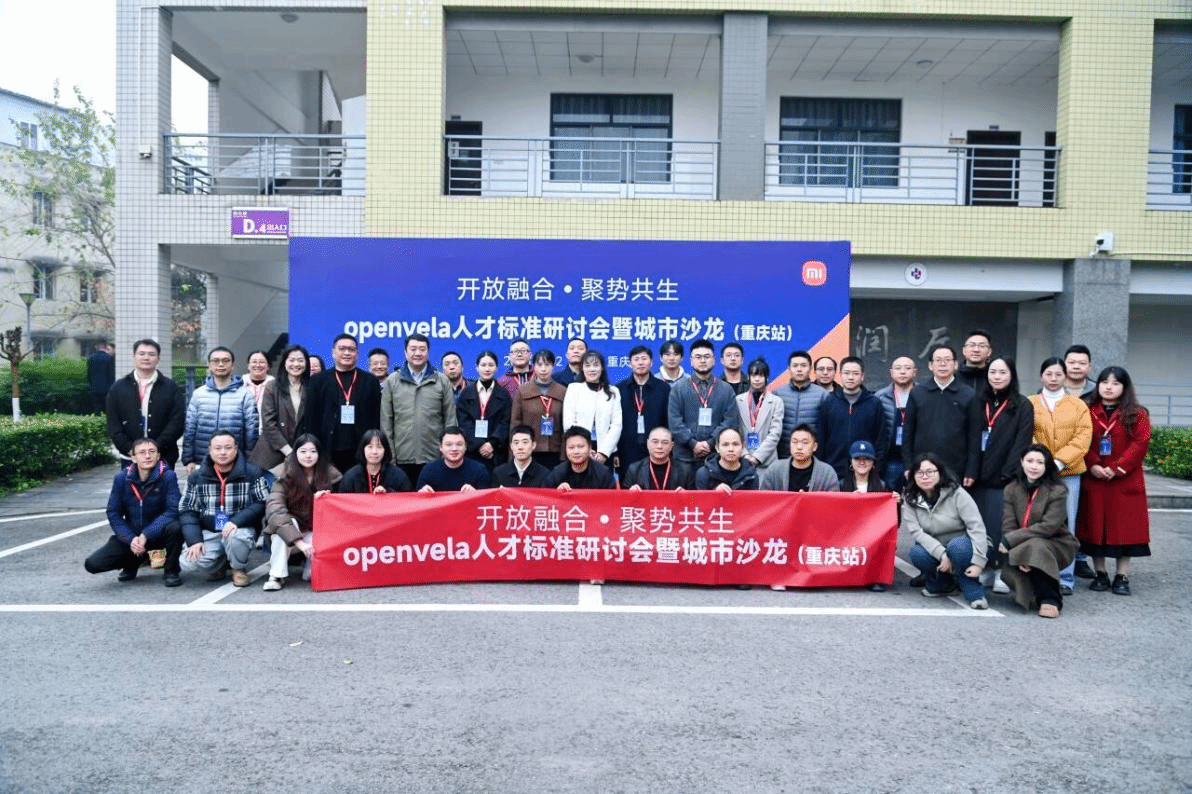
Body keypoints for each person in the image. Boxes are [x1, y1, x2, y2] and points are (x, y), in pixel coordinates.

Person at [1077, 366, 1152, 596]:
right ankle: (1100, 574)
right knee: (1094, 528)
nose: (1109, 387)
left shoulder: (1137, 413)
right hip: (1095, 478)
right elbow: (1080, 439)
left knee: (1125, 530)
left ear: (1124, 387)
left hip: (1124, 480)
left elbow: (1140, 443)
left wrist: (1117, 467)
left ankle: (1122, 576)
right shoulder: (1087, 410)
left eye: (1115, 383)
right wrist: (1093, 464)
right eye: (1104, 382)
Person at [963, 356, 1033, 595]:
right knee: (979, 526)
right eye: (993, 372)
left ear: (1012, 375)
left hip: (1005, 477)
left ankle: (1002, 570)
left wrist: (1008, 472)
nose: (997, 376)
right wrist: (971, 470)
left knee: (1001, 526)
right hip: (977, 478)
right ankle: (984, 567)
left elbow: (1022, 442)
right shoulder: (977, 402)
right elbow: (971, 439)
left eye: (1003, 372)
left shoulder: (1022, 405)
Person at [1029, 356, 1093, 594]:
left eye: (1058, 374)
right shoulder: (1030, 403)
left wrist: (1059, 461)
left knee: (1067, 523)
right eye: (1049, 374)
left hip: (1069, 472)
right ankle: (1037, 572)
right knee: (1035, 521)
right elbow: (1027, 432)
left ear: (1065, 377)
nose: (1054, 379)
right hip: (1036, 471)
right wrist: (1042, 462)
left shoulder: (1078, 405)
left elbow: (1082, 437)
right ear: (1041, 377)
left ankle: (1066, 577)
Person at [84, 438, 183, 587]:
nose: (147, 456)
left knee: (175, 527)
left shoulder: (168, 476)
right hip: (133, 536)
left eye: (152, 452)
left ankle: (171, 570)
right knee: (92, 564)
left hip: (159, 535)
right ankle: (134, 561)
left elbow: (173, 510)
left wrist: (146, 534)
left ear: (158, 455)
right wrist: (130, 539)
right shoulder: (121, 478)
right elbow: (113, 512)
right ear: (133, 458)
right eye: (142, 452)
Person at [178, 430, 271, 586]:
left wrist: (236, 521)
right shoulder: (197, 476)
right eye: (218, 448)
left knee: (235, 538)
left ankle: (238, 568)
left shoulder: (251, 472)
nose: (223, 452)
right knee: (188, 562)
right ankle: (220, 564)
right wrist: (194, 540)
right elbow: (187, 509)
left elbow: (262, 502)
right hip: (210, 530)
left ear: (236, 449)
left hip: (239, 528)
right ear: (210, 450)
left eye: (228, 448)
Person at [999, 444, 1079, 618]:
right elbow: (1008, 525)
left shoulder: (1058, 490)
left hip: (1057, 543)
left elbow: (1048, 526)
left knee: (1036, 548)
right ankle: (1033, 594)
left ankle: (1051, 599)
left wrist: (1015, 543)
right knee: (1016, 563)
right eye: (1030, 461)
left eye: (1040, 462)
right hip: (1023, 543)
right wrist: (1019, 549)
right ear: (1022, 462)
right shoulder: (1011, 489)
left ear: (1047, 466)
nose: (1034, 466)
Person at [902, 452, 989, 609]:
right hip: (936, 547)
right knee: (917, 553)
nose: (925, 477)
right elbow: (916, 532)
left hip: (964, 545)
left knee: (957, 547)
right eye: (920, 473)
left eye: (930, 472)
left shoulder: (957, 493)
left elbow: (976, 527)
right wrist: (942, 554)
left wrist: (979, 562)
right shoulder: (910, 498)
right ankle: (943, 583)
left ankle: (972, 588)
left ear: (940, 472)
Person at [262, 434, 342, 591]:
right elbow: (275, 511)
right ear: (295, 453)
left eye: (313, 451)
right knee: (280, 530)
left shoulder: (331, 475)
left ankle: (311, 567)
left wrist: (326, 500)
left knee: (311, 577)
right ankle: (276, 576)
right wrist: (299, 542)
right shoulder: (284, 475)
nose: (308, 456)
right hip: (291, 533)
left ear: (319, 454)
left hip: (316, 531)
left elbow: (340, 510)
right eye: (303, 451)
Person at [381, 333, 457, 485]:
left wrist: (447, 453)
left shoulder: (441, 381)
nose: (417, 353)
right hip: (402, 458)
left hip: (434, 457)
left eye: (422, 349)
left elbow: (450, 420)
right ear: (405, 352)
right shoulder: (393, 381)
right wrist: (390, 457)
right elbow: (386, 423)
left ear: (428, 352)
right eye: (413, 349)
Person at [305, 333, 382, 475]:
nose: (347, 353)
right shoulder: (318, 381)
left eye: (351, 349)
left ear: (357, 354)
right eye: (342, 349)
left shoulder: (370, 381)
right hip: (327, 450)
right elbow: (311, 418)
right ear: (333, 352)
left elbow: (376, 418)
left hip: (361, 450)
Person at [106, 338, 185, 468]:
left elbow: (177, 421)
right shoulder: (118, 387)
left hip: (164, 455)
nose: (146, 358)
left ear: (158, 359)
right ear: (134, 357)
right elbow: (114, 423)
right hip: (130, 457)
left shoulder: (171, 387)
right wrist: (131, 449)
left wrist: (156, 448)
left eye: (151, 354)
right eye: (141, 354)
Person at [902, 344, 975, 485]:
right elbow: (908, 432)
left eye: (947, 360)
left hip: (956, 467)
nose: (943, 364)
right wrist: (908, 465)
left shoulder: (968, 394)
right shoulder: (918, 393)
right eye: (938, 360)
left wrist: (971, 470)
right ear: (930, 365)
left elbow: (974, 436)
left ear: (956, 364)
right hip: (922, 467)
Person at [182, 346, 259, 474]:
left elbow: (252, 433)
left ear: (232, 365)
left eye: (226, 360)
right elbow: (189, 429)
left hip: (236, 463)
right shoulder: (198, 394)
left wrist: (249, 461)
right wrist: (188, 459)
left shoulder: (245, 395)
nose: (221, 364)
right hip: (203, 460)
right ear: (209, 365)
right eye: (216, 361)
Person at [838, 440, 898, 591]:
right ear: (851, 461)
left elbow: (894, 522)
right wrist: (848, 501)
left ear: (873, 463)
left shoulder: (883, 486)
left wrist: (897, 504)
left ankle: (876, 577)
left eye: (867, 459)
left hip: (873, 535)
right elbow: (834, 516)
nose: (862, 462)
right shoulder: (841, 485)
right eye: (857, 458)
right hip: (848, 534)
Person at [817, 356, 889, 480]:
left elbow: (881, 440)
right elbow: (821, 437)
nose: (850, 377)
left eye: (855, 373)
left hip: (864, 471)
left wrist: (876, 468)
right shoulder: (829, 402)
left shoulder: (874, 403)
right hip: (833, 471)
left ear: (862, 376)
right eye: (846, 373)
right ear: (840, 375)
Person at [668, 339, 738, 467]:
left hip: (716, 458)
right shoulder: (678, 388)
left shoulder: (726, 389)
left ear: (714, 360)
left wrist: (710, 443)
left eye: (707, 356)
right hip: (684, 458)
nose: (703, 360)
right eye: (698, 357)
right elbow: (674, 422)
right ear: (691, 361)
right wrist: (692, 444)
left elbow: (730, 421)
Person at [250, 344, 309, 474]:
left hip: (301, 453)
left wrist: (301, 451)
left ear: (306, 363)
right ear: (284, 363)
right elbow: (268, 423)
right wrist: (288, 451)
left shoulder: (311, 387)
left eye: (300, 360)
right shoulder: (272, 386)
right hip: (272, 453)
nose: (296, 364)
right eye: (291, 360)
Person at [614, 345, 670, 479]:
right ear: (630, 363)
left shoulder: (663, 388)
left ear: (651, 362)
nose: (640, 363)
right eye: (636, 359)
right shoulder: (619, 389)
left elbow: (668, 421)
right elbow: (614, 423)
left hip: (656, 449)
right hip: (626, 450)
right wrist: (615, 452)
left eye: (644, 359)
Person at [562, 350, 622, 468]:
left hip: (605, 452)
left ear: (602, 368)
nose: (592, 369)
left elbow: (616, 425)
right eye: (587, 365)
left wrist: (604, 452)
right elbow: (569, 423)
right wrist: (585, 449)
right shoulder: (573, 389)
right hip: (579, 451)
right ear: (582, 368)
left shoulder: (613, 391)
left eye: (596, 365)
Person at [456, 350, 512, 472]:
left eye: (491, 365)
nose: (487, 369)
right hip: (472, 452)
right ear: (477, 368)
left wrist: (491, 444)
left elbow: (505, 422)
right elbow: (464, 422)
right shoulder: (466, 393)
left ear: (497, 368)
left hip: (496, 452)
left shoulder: (504, 394)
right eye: (483, 365)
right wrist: (479, 445)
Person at [511, 349, 567, 468]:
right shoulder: (523, 390)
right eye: (539, 364)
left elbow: (565, 425)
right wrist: (513, 455)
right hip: (529, 451)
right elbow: (515, 423)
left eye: (547, 365)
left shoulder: (562, 391)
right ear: (534, 366)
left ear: (553, 366)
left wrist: (564, 455)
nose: (543, 369)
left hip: (555, 451)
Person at [736, 357, 783, 477]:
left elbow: (775, 433)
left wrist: (757, 457)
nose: (757, 379)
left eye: (761, 375)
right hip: (742, 460)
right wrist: (745, 455)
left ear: (766, 378)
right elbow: (735, 431)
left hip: (767, 462)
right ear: (749, 377)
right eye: (753, 375)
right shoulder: (738, 400)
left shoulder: (776, 401)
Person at [776, 349, 827, 456]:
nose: (799, 369)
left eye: (803, 366)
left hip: (812, 455)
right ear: (789, 369)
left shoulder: (822, 395)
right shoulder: (778, 393)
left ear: (810, 368)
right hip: (783, 454)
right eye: (795, 366)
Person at [875, 354, 916, 489]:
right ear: (891, 372)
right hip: (890, 459)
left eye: (907, 368)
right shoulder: (880, 397)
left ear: (915, 372)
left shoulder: (922, 394)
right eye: (898, 368)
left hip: (916, 458)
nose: (902, 372)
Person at [759, 424, 839, 492]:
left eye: (805, 442)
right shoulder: (775, 470)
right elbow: (764, 499)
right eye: (795, 442)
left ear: (815, 446)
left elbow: (833, 502)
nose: (799, 447)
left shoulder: (827, 473)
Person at [416, 427, 491, 492]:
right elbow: (418, 500)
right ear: (440, 447)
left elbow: (487, 500)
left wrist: (476, 493)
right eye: (449, 445)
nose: (454, 449)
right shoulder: (428, 471)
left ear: (465, 447)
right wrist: (423, 494)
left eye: (459, 444)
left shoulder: (479, 470)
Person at [339, 429, 413, 494]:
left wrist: (389, 494)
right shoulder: (351, 476)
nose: (374, 452)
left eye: (379, 447)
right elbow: (342, 502)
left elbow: (408, 500)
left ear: (385, 450)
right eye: (370, 447)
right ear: (363, 449)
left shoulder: (398, 476)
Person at [623, 427, 696, 491]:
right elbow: (623, 500)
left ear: (672, 446)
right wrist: (631, 494)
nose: (659, 446)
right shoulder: (634, 469)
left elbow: (694, 499)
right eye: (655, 442)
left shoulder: (685, 470)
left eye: (665, 442)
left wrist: (686, 496)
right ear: (648, 443)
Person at [545, 426, 616, 490]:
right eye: (571, 447)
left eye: (581, 447)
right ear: (565, 449)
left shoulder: (603, 474)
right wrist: (557, 492)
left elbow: (612, 498)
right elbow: (545, 497)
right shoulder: (557, 474)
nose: (576, 452)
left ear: (590, 447)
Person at [695, 427, 759, 492]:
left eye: (735, 444)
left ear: (742, 447)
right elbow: (701, 498)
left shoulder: (751, 475)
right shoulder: (704, 474)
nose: (731, 449)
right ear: (717, 448)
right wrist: (714, 492)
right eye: (725, 445)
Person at [956, 329, 993, 393]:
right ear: (964, 350)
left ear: (989, 352)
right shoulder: (953, 376)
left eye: (982, 346)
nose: (976, 350)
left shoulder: (994, 376)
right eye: (972, 345)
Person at [87, 341, 115, 414]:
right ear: (105, 347)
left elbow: (89, 374)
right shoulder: (109, 358)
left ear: (96, 347)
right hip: (107, 387)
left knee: (96, 408)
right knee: (107, 408)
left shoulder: (91, 358)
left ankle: (97, 418)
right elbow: (111, 374)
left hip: (94, 387)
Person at [244, 350, 274, 417]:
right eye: (254, 362)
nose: (257, 365)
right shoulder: (240, 384)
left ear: (268, 366)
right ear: (248, 366)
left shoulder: (275, 386)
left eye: (262, 362)